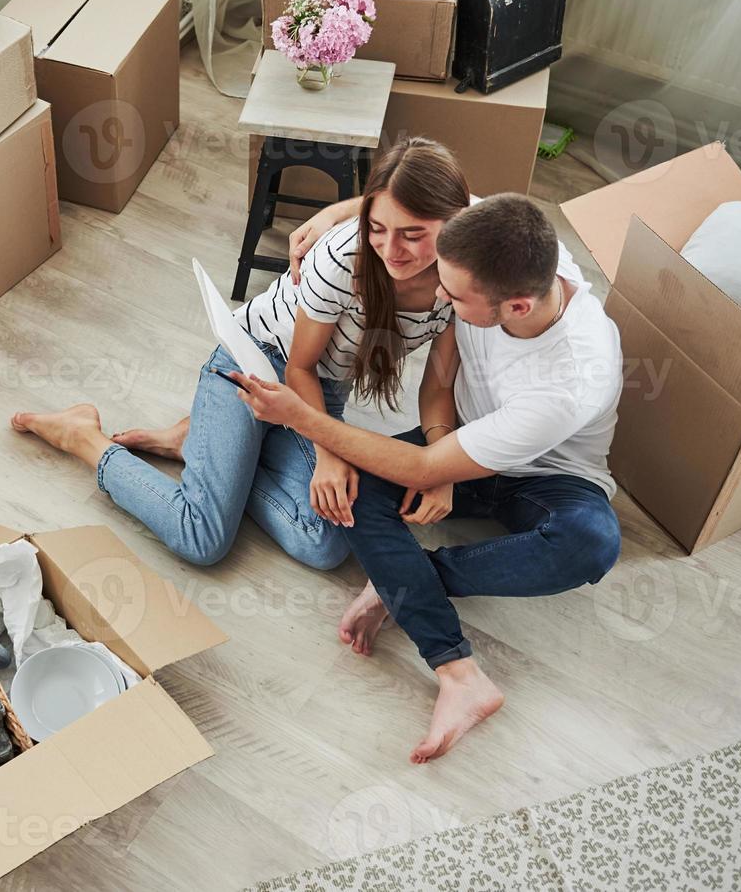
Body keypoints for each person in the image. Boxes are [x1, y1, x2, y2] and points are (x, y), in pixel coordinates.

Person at [230, 193, 624, 763]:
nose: (437, 295)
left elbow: (419, 470)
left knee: (591, 543)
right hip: (460, 439)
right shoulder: (511, 240)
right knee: (352, 495)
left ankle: (406, 592)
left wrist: (302, 418)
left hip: (549, 476)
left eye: (455, 296)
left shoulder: (569, 380)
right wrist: (333, 215)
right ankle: (456, 668)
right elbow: (418, 195)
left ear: (515, 307)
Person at [10, 138, 470, 569]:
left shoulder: (466, 277)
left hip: (318, 393)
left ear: (455, 224)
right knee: (202, 537)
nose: (391, 250)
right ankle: (83, 437)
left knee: (325, 541)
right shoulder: (343, 258)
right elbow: (299, 366)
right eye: (377, 228)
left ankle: (201, 443)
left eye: (412, 235)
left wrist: (441, 464)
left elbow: (440, 384)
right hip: (256, 365)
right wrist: (328, 453)